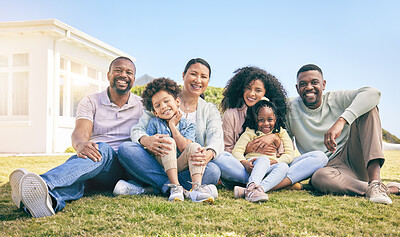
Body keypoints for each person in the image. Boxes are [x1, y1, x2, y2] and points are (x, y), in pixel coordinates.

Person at [9, 57, 144, 218]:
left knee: (104, 149)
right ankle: (49, 201)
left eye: (129, 72)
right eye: (118, 70)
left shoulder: (142, 105)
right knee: (80, 179)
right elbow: (80, 132)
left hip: (121, 167)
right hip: (93, 163)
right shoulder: (91, 101)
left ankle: (42, 183)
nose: (123, 75)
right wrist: (80, 144)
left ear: (133, 80)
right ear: (108, 75)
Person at [286, 64, 400, 204]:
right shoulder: (289, 109)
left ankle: (375, 182)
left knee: (369, 109)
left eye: (314, 82)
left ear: (323, 84)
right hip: (328, 171)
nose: (309, 87)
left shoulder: (336, 98)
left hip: (353, 157)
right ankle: (380, 188)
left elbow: (373, 93)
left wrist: (342, 120)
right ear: (297, 88)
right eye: (303, 84)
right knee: (318, 178)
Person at [117, 58, 222, 201]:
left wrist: (207, 155)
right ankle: (176, 187)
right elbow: (137, 130)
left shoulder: (209, 110)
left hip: (182, 166)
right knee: (126, 149)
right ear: (183, 75)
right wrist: (147, 140)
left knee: (213, 171)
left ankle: (151, 188)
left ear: (208, 81)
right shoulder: (161, 96)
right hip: (155, 163)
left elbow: (216, 139)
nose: (198, 80)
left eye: (203, 76)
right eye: (193, 74)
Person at [214, 66, 328, 190]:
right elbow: (227, 150)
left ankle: (258, 186)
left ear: (265, 93)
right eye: (248, 88)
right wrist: (247, 151)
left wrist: (275, 139)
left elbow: (288, 152)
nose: (252, 94)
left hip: (275, 165)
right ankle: (276, 183)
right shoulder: (232, 114)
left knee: (320, 157)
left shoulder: (274, 114)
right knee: (220, 158)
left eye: (258, 90)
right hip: (247, 167)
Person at [138, 77, 214, 203]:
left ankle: (196, 189)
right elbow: (149, 150)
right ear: (155, 112)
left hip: (178, 165)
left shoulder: (188, 124)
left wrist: (173, 127)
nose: (163, 106)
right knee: (168, 142)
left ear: (177, 101)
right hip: (160, 164)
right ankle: (175, 187)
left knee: (195, 146)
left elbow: (185, 148)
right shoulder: (154, 123)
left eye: (166, 101)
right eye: (157, 105)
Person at [231, 99, 293, 202]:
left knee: (284, 167)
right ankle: (252, 186)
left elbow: (289, 155)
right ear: (255, 119)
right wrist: (245, 163)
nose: (266, 123)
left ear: (275, 118)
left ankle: (253, 190)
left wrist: (275, 162)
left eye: (270, 119)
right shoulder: (250, 133)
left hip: (270, 167)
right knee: (263, 159)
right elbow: (237, 151)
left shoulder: (281, 132)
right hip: (254, 166)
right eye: (261, 120)